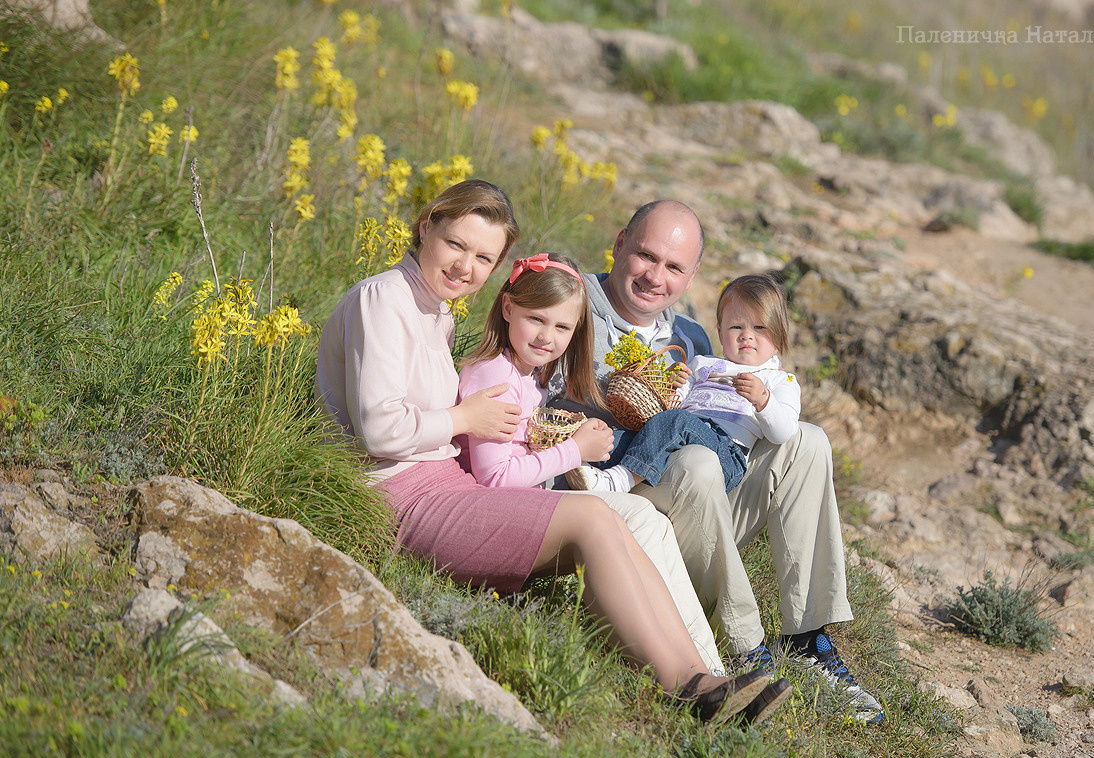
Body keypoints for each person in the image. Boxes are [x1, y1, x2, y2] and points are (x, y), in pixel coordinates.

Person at [315, 180, 790, 726]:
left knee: (615, 519)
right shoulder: (383, 298)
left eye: (484, 258)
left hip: (443, 483)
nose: (466, 266)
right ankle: (685, 688)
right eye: (455, 245)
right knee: (593, 518)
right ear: (426, 227)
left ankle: (706, 679)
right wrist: (466, 419)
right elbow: (378, 431)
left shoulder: (434, 309)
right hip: (401, 495)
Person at [557, 199, 885, 723]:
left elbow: (725, 421)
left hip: (700, 509)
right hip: (624, 504)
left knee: (807, 441)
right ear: (619, 244)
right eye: (646, 256)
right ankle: (743, 643)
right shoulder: (573, 305)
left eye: (674, 266)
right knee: (696, 461)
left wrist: (767, 400)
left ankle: (806, 636)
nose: (655, 277)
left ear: (692, 276)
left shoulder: (692, 337)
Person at [454, 251, 726, 674]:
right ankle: (694, 672)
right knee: (638, 520)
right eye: (536, 319)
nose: (547, 337)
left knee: (651, 520)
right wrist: (574, 451)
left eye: (562, 327)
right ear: (507, 308)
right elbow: (495, 479)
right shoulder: (494, 376)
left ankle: (706, 667)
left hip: (526, 501)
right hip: (497, 514)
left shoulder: (526, 374)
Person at [568, 274, 800, 497]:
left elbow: (783, 433)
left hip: (726, 454)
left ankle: (619, 481)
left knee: (677, 422)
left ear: (779, 336)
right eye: (736, 327)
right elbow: (674, 405)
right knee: (623, 437)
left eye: (759, 328)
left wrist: (763, 400)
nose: (746, 335)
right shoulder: (703, 364)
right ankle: (585, 468)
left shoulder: (779, 379)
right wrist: (673, 384)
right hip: (680, 438)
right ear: (721, 333)